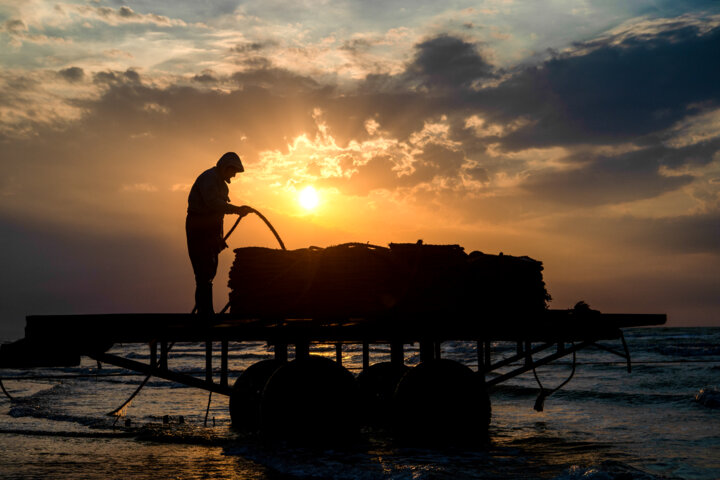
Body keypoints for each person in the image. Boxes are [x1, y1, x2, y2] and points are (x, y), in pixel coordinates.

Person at [186, 152, 252, 315]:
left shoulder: (222, 185)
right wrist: (237, 210)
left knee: (209, 271)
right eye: (233, 171)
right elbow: (214, 204)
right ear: (225, 167)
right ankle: (205, 313)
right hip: (198, 229)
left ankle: (206, 311)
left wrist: (219, 238)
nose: (234, 175)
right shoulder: (209, 179)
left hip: (211, 231)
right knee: (203, 273)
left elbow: (219, 215)